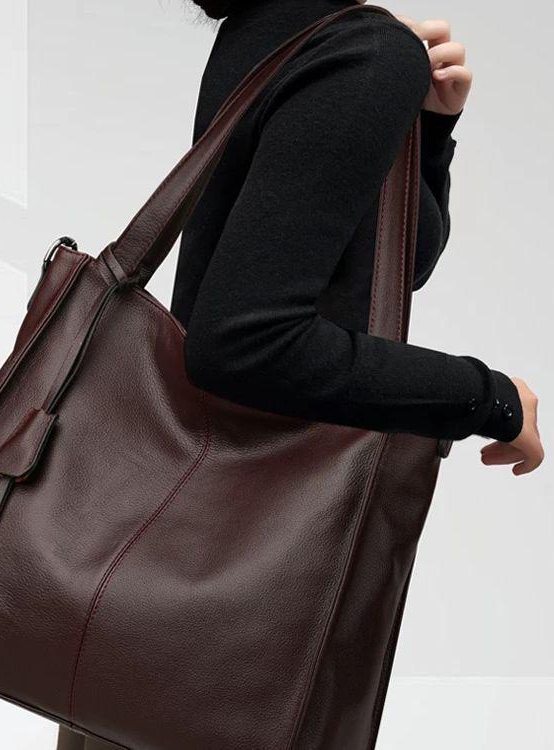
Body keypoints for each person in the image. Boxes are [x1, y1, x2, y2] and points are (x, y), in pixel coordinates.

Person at [56, 1, 543, 747]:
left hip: (148, 623)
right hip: (245, 630)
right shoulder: (363, 49)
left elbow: (373, 269)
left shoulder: (274, 29)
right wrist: (488, 396)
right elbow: (245, 341)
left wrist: (427, 134)